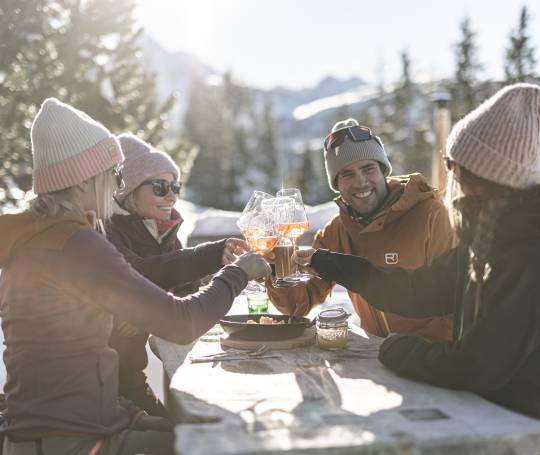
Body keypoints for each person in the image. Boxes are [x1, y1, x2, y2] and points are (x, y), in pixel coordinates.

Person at [0, 98, 270, 455]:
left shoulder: (33, 240)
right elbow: (181, 322)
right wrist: (237, 274)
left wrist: (131, 415)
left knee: (193, 428)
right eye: (113, 173)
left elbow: (66, 360)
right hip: (71, 441)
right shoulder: (77, 245)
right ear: (83, 180)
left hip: (41, 433)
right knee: (230, 444)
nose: (116, 185)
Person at [293, 83, 540, 418]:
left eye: (457, 165)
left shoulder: (526, 252)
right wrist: (328, 263)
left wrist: (396, 348)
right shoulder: (488, 234)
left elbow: (476, 365)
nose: (451, 173)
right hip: (484, 408)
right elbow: (418, 288)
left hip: (521, 424)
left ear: (488, 176)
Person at [267, 118, 455, 341]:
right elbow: (298, 305)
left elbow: (452, 299)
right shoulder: (336, 232)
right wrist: (279, 269)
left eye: (368, 169)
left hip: (432, 356)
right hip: (374, 356)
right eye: (347, 174)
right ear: (337, 184)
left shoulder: (432, 215)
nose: (361, 182)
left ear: (383, 170)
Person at [107, 133, 247, 419]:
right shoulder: (107, 230)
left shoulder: (161, 230)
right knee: (185, 430)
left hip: (131, 377)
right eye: (160, 186)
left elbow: (183, 295)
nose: (171, 195)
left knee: (193, 414)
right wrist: (211, 255)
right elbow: (139, 274)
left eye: (175, 186)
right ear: (129, 189)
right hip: (101, 390)